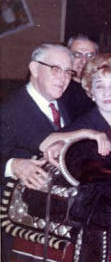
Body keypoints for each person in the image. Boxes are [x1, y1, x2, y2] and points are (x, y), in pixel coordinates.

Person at [0, 43, 74, 191]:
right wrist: (13, 165)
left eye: (68, 72)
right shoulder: (8, 109)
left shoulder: (69, 102)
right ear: (34, 69)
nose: (63, 78)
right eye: (55, 69)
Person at [39, 52, 111, 155]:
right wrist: (63, 143)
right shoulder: (84, 124)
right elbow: (43, 143)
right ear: (91, 91)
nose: (106, 93)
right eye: (100, 86)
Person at [62, 34, 98, 121]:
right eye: (77, 55)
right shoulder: (60, 88)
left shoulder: (102, 87)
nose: (84, 61)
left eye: (90, 55)